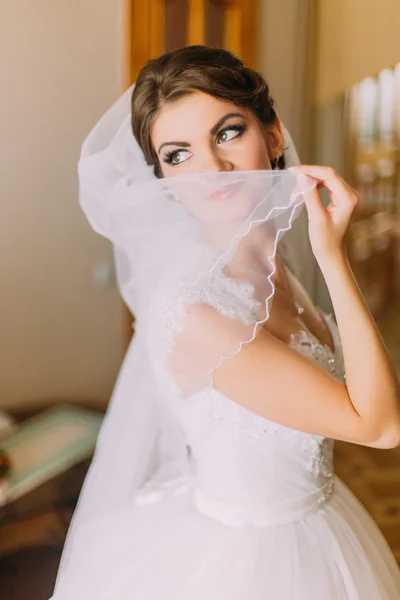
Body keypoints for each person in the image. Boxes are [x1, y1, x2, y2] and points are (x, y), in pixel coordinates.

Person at [50, 46, 400, 599]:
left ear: (275, 135)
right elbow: (383, 428)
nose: (211, 169)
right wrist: (334, 258)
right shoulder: (199, 314)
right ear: (161, 177)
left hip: (318, 521)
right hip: (249, 563)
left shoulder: (270, 264)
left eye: (228, 132)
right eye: (178, 153)